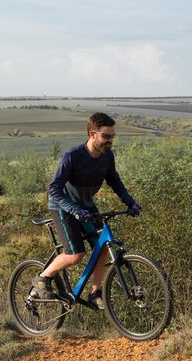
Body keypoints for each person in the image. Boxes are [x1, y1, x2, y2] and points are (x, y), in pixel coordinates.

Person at [32, 112, 142, 307]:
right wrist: (73, 209)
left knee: (102, 248)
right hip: (62, 207)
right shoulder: (72, 157)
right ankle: (43, 277)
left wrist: (130, 203)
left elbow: (114, 181)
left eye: (113, 136)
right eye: (106, 136)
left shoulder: (107, 156)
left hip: (85, 206)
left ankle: (95, 292)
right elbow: (54, 189)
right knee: (76, 255)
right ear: (92, 134)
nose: (110, 141)